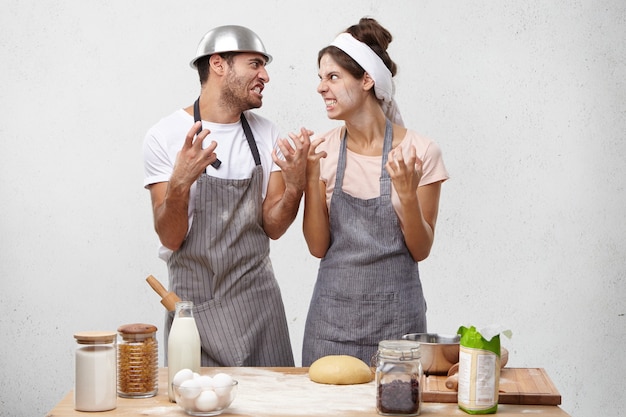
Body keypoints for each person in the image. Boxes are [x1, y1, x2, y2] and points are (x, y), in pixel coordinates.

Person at [142, 25, 309, 367]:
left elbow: (273, 227)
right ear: (218, 64)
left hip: (259, 310)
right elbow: (171, 238)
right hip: (195, 314)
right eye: (255, 64)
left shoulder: (267, 133)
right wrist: (179, 183)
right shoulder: (165, 136)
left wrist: (295, 186)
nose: (265, 75)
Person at [300, 18, 449, 366]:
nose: (321, 87)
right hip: (330, 326)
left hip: (398, 328)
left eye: (333, 77)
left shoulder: (419, 152)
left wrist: (407, 195)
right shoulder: (321, 150)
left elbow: (421, 249)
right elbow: (318, 247)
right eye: (320, 78)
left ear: (367, 80)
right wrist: (309, 176)